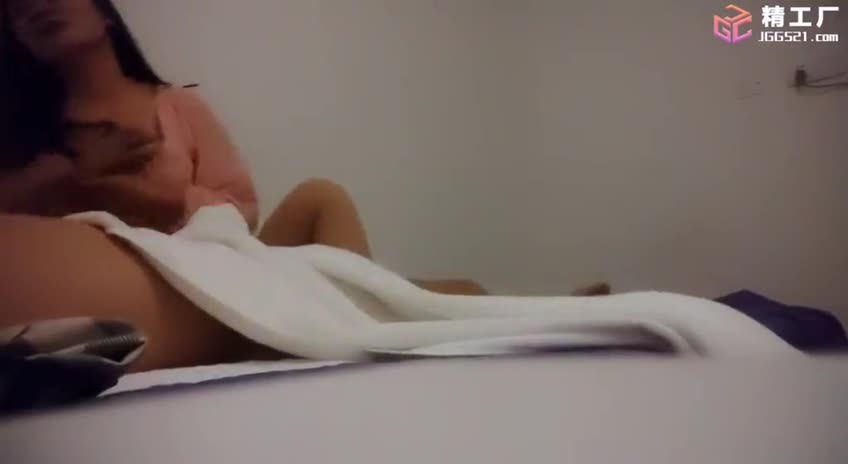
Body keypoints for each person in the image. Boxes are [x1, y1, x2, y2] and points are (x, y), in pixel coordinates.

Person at [0, 0, 607, 372]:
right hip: (149, 277)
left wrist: (146, 194)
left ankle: (403, 311)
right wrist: (83, 186)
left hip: (217, 257)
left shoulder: (175, 106)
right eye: (17, 6)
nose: (36, 5)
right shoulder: (25, 137)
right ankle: (522, 309)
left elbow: (239, 208)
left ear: (105, 11)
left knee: (322, 195)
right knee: (408, 292)